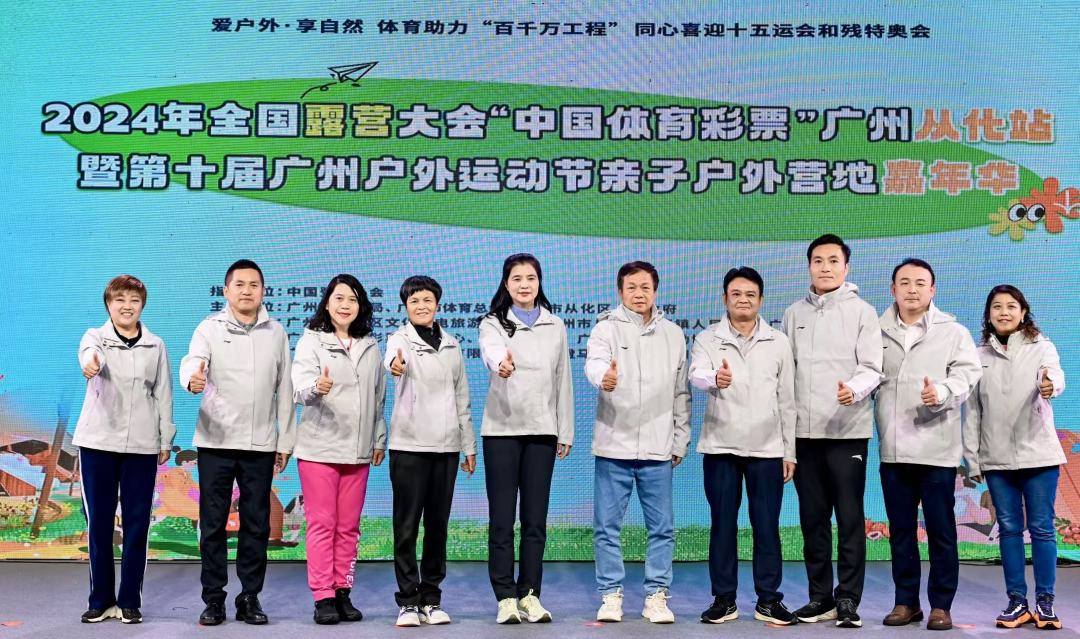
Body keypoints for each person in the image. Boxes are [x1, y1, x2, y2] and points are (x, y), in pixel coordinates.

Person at [180, 259, 295, 626]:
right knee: (213, 523)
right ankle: (214, 599)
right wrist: (192, 379)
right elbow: (193, 362)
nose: (247, 291)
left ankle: (249, 597)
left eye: (254, 285)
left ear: (263, 291)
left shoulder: (276, 332)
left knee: (256, 524)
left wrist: (285, 440)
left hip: (260, 444)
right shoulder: (209, 328)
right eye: (240, 284)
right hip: (216, 442)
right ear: (227, 290)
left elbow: (285, 389)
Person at [782, 234, 883, 628]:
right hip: (805, 435)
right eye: (818, 261)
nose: (825, 267)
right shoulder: (793, 314)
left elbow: (872, 368)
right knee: (813, 519)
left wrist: (853, 390)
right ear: (809, 266)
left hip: (847, 432)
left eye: (833, 260)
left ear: (846, 267)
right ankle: (820, 597)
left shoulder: (863, 312)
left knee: (850, 518)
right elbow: (785, 375)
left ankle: (848, 599)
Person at [875, 258, 981, 631]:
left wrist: (942, 391)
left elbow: (968, 374)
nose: (912, 289)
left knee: (941, 531)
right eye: (904, 282)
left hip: (937, 449)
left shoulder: (953, 331)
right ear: (893, 289)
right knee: (901, 531)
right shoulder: (875, 330)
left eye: (920, 283)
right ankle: (906, 602)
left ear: (933, 289)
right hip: (894, 448)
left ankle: (941, 605)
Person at [690, 267, 798, 626]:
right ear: (725, 298)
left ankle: (769, 600)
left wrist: (789, 451)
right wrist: (715, 378)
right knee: (723, 524)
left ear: (761, 300)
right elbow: (696, 374)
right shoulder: (708, 338)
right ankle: (724, 600)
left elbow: (787, 400)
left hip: (767, 450)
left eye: (750, 294)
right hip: (720, 447)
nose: (743, 300)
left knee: (767, 526)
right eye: (736, 294)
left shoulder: (778, 341)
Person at [586, 261, 690, 624]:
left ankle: (656, 596)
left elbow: (681, 392)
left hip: (658, 448)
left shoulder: (673, 334)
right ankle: (610, 595)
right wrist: (604, 378)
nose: (639, 293)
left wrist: (680, 439)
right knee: (607, 528)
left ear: (655, 291)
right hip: (614, 445)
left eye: (645, 287)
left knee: (662, 529)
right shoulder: (605, 328)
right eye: (631, 287)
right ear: (620, 291)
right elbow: (594, 364)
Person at [963, 285, 1066, 630]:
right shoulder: (977, 355)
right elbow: (972, 412)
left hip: (1039, 456)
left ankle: (1045, 603)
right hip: (996, 459)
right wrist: (973, 459)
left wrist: (1051, 385)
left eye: (1011, 306)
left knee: (1042, 528)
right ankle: (1017, 603)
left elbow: (1054, 375)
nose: (1004, 312)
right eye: (997, 307)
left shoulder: (1042, 346)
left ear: (1023, 312)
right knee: (1008, 528)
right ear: (988, 315)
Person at [478, 254, 573, 624]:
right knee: (502, 519)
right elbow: (491, 351)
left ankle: (530, 594)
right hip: (502, 431)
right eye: (516, 278)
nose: (523, 284)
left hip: (542, 432)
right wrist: (500, 363)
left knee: (535, 520)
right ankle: (505, 596)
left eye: (530, 278)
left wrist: (564, 430)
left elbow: (563, 379)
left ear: (539, 282)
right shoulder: (493, 323)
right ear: (506, 284)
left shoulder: (555, 325)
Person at [74, 275, 174, 624]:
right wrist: (91, 364)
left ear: (142, 305)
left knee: (137, 524)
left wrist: (165, 439)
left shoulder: (155, 345)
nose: (127, 306)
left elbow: (163, 393)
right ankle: (100, 600)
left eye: (134, 300)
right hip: (98, 443)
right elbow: (89, 357)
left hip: (142, 446)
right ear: (108, 304)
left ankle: (130, 600)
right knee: (99, 524)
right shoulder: (95, 337)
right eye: (120, 300)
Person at [292, 275, 386, 624]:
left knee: (348, 527)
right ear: (327, 303)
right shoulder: (312, 340)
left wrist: (378, 438)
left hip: (358, 451)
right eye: (339, 298)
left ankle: (343, 590)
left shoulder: (370, 346)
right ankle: (323, 596)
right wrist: (316, 387)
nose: (345, 305)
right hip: (319, 449)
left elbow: (378, 398)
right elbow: (298, 389)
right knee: (322, 524)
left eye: (353, 299)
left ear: (361, 306)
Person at [384, 275, 476, 627]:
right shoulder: (399, 340)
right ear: (405, 306)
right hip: (409, 446)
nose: (421, 306)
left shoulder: (452, 346)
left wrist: (467, 445)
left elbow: (462, 399)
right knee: (406, 526)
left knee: (438, 527)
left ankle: (431, 598)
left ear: (437, 304)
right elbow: (392, 361)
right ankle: (408, 601)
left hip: (446, 448)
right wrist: (396, 365)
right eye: (414, 301)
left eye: (427, 300)